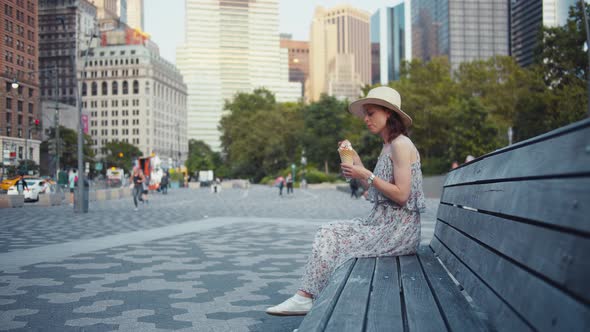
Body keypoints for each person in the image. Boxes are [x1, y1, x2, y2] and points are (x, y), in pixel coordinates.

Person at [266, 86, 426, 316]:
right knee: (330, 232)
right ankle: (313, 300)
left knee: (332, 236)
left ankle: (311, 300)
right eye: (365, 115)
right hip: (382, 224)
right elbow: (374, 192)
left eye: (371, 113)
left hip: (398, 230)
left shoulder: (401, 144)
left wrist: (366, 174)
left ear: (388, 113)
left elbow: (402, 195)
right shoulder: (387, 146)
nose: (366, 119)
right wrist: (358, 166)